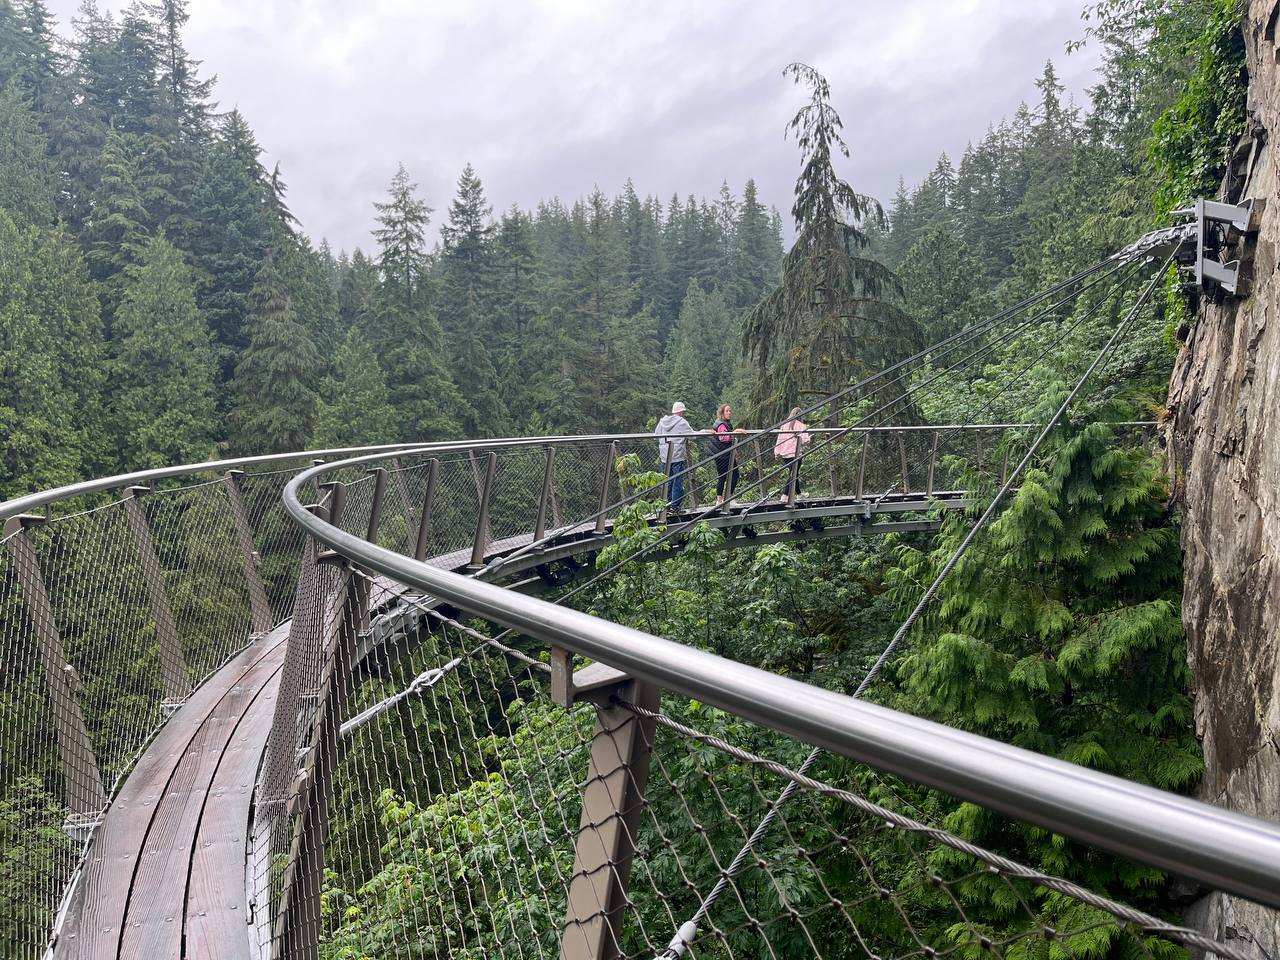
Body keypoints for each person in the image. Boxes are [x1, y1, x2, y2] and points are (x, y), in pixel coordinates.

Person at [654, 401, 698, 509]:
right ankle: (675, 506)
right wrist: (705, 431)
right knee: (677, 482)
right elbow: (692, 436)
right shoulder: (681, 422)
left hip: (665, 457)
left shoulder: (662, 422)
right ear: (681, 412)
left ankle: (666, 506)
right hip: (677, 455)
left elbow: (656, 436)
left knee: (667, 481)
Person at [711, 402, 747, 505]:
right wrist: (735, 431)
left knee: (728, 476)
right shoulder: (721, 424)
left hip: (723, 454)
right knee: (728, 476)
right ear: (722, 413)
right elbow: (724, 438)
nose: (729, 413)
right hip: (723, 455)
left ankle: (724, 499)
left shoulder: (723, 423)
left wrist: (734, 451)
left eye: (730, 411)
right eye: (727, 411)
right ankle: (724, 499)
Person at [773, 406, 811, 499]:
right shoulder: (801, 426)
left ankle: (799, 494)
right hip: (795, 453)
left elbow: (779, 440)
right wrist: (809, 439)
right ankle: (785, 495)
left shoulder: (784, 425)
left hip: (785, 454)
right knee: (793, 474)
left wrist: (777, 452)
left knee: (794, 473)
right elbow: (804, 440)